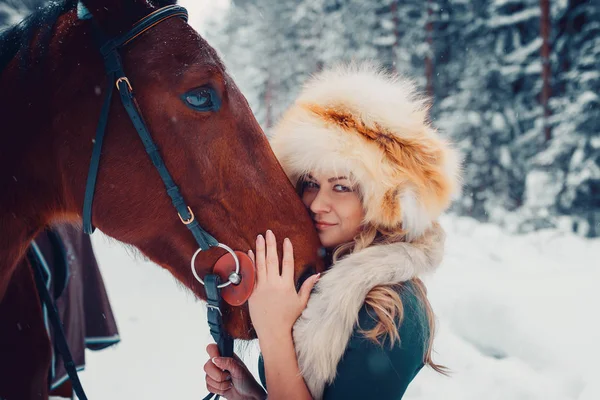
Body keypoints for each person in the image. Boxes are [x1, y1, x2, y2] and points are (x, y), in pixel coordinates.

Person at [203, 63, 461, 399]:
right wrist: (252, 395)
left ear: (381, 200)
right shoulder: (321, 277)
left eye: (341, 187)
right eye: (310, 183)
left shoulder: (389, 311)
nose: (316, 203)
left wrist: (274, 331)